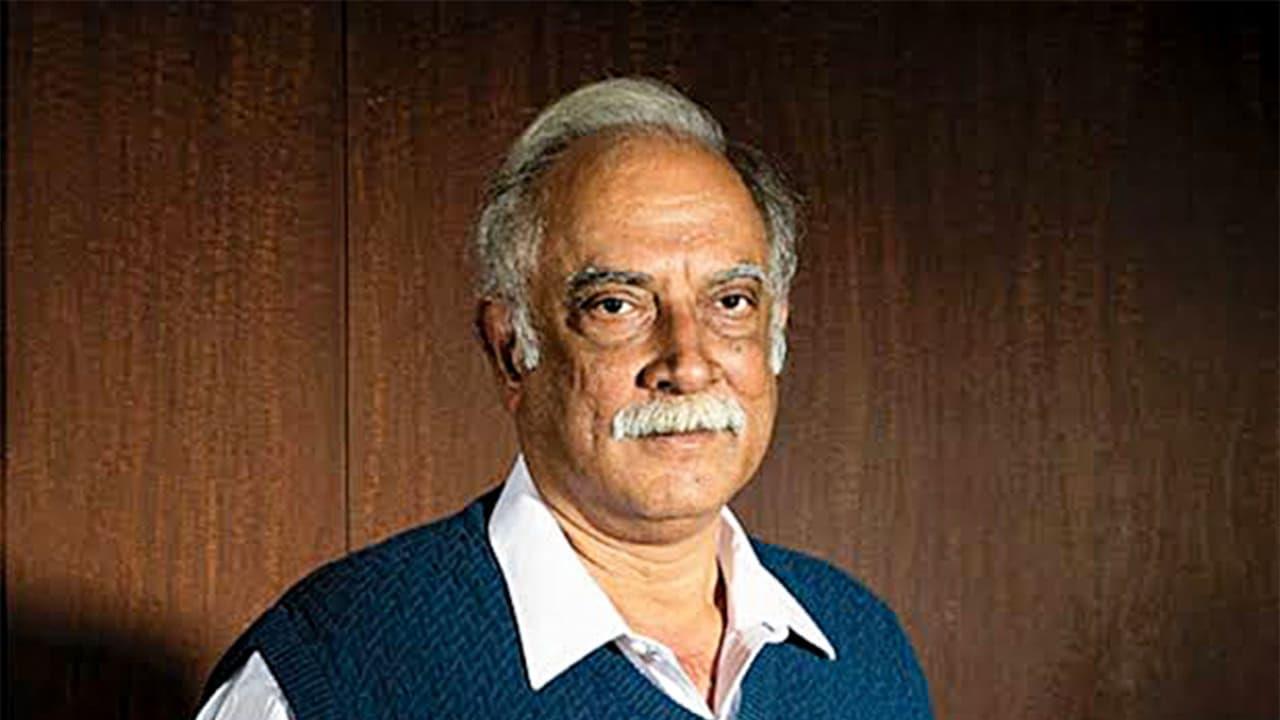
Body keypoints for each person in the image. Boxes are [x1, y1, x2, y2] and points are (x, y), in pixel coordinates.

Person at [195, 77, 932, 720]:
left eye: (731, 301)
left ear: (775, 334)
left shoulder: (865, 653)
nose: (688, 362)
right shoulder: (335, 670)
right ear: (511, 350)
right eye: (616, 305)